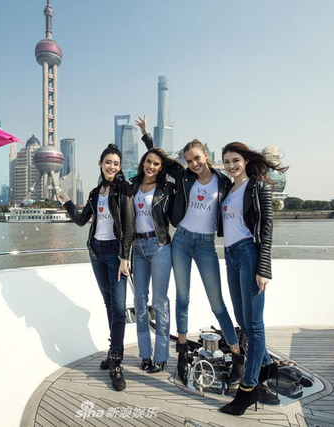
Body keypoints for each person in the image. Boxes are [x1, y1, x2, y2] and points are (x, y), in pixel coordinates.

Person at [136, 116, 240, 385]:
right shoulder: (184, 177)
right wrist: (146, 135)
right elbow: (161, 159)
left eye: (197, 158)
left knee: (217, 303)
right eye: (189, 160)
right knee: (182, 299)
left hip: (205, 245)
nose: (194, 163)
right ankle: (182, 352)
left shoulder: (223, 182)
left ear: (206, 155)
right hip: (181, 241)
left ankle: (238, 355)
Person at [58, 144, 135, 392]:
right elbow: (82, 221)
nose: (112, 167)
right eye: (108, 162)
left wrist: (125, 257)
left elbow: (129, 226)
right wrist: (67, 202)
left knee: (119, 308)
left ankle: (116, 362)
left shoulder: (124, 190)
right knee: (108, 303)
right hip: (96, 252)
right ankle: (113, 351)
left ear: (119, 167)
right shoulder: (94, 193)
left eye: (116, 163)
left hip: (115, 254)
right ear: (100, 164)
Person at [218, 142, 287, 415]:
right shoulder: (228, 188)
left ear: (245, 160)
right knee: (242, 320)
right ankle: (267, 367)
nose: (231, 165)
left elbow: (267, 227)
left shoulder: (258, 186)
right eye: (226, 161)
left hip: (249, 253)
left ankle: (248, 389)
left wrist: (264, 268)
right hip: (230, 255)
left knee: (254, 324)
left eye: (235, 160)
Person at [129, 144, 182, 373]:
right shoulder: (132, 186)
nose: (151, 166)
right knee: (140, 301)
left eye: (156, 164)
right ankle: (144, 354)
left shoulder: (166, 189)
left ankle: (161, 356)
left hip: (159, 246)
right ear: (143, 163)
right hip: (137, 247)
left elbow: (180, 173)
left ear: (162, 168)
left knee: (160, 302)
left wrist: (149, 140)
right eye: (148, 161)